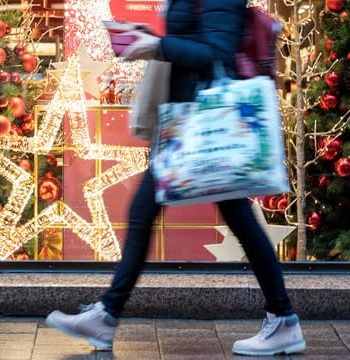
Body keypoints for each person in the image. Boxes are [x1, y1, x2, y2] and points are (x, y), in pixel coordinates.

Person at [45, 0, 307, 356]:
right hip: (186, 122)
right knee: (153, 215)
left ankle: (284, 320)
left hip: (207, 125)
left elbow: (217, 53)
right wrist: (148, 36)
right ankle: (107, 315)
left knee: (228, 219)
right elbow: (194, 38)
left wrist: (157, 45)